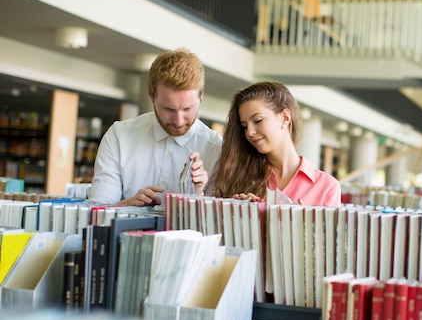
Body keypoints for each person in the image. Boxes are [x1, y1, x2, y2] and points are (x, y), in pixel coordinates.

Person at [88, 47, 223, 206]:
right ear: (151, 96)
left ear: (201, 97)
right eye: (169, 109)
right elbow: (97, 208)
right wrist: (127, 206)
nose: (179, 121)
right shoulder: (119, 136)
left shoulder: (217, 149)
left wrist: (198, 195)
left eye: (187, 109)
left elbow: (214, 222)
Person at [212, 81, 341, 207]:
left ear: (285, 118)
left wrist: (302, 226)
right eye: (244, 126)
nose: (249, 132)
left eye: (257, 121)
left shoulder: (326, 187)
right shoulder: (240, 177)